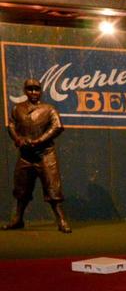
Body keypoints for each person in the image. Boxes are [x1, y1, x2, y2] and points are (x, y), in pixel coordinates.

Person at [4, 78, 70, 232]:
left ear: (41, 91)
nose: (34, 92)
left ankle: (61, 220)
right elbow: (12, 125)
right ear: (25, 91)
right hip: (25, 155)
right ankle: (18, 219)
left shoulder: (49, 109)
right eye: (30, 89)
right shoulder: (17, 109)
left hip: (45, 154)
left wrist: (39, 140)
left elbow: (57, 126)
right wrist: (18, 139)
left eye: (36, 89)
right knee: (21, 189)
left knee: (53, 188)